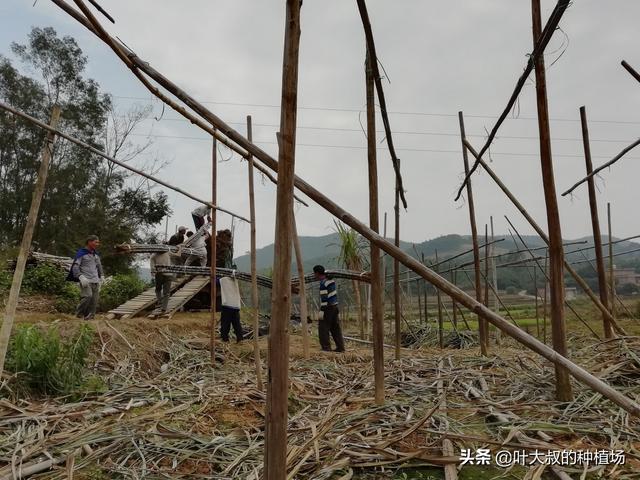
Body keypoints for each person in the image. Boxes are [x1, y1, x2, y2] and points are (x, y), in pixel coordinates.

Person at [69, 235, 104, 320]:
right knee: (88, 296)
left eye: (98, 242)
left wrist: (102, 276)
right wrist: (80, 276)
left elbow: (99, 265)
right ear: (89, 242)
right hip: (86, 280)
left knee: (94, 301)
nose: (97, 244)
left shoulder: (95, 255)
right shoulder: (81, 253)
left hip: (95, 280)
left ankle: (90, 318)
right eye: (96, 242)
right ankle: (79, 314)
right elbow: (75, 266)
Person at [313, 265, 345, 352]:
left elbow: (324, 299)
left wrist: (321, 312)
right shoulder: (331, 280)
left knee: (323, 327)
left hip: (327, 308)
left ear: (317, 273)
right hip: (335, 306)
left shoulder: (323, 284)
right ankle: (340, 347)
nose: (314, 276)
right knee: (335, 328)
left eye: (314, 273)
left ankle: (326, 348)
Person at [149, 248, 175, 317]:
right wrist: (180, 248)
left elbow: (152, 268)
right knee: (166, 292)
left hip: (159, 274)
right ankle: (164, 308)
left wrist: (153, 275)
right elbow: (177, 255)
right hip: (169, 274)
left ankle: (160, 303)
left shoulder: (153, 255)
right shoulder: (168, 252)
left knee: (158, 289)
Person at [217, 276, 243, 343]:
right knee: (237, 324)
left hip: (227, 305)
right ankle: (240, 339)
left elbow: (215, 281)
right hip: (235, 305)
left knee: (225, 323)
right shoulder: (235, 280)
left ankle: (225, 339)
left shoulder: (223, 280)